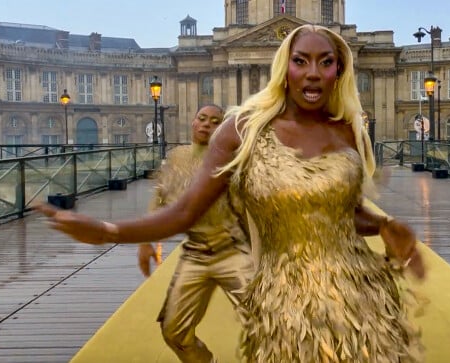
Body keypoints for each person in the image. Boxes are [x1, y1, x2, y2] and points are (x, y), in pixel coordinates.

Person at [38, 24, 425, 362]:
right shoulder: (241, 130)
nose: (313, 74)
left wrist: (386, 225)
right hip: (286, 301)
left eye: (326, 62)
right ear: (283, 68)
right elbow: (186, 211)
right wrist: (110, 231)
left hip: (360, 295)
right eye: (301, 61)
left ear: (340, 70)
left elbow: (345, 213)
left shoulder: (346, 129)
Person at [140, 104, 255, 363]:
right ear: (193, 122)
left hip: (233, 248)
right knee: (173, 330)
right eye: (202, 119)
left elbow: (249, 207)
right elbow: (159, 197)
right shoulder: (177, 157)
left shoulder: (234, 160)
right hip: (195, 253)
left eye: (215, 122)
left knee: (264, 319)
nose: (206, 124)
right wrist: (147, 240)